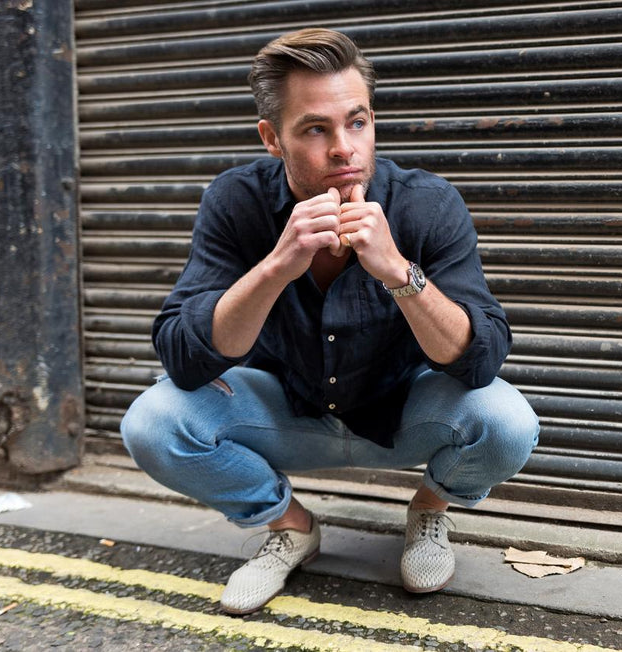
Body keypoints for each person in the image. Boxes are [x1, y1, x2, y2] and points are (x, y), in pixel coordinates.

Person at [120, 27, 539, 615]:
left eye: (356, 122)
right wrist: (276, 267)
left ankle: (429, 511)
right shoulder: (235, 201)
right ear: (272, 138)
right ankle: (290, 527)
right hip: (285, 412)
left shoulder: (427, 203)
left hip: (403, 413)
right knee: (154, 423)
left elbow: (481, 359)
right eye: (316, 129)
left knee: (507, 422)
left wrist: (397, 271)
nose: (344, 148)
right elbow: (184, 358)